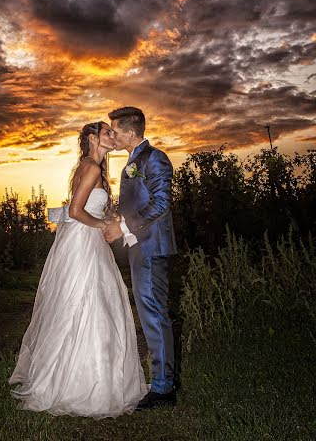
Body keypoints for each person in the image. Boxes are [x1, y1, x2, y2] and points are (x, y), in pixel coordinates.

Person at [8, 121, 148, 419]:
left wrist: (112, 216)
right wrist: (103, 226)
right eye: (107, 132)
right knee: (88, 302)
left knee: (88, 303)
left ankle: (85, 376)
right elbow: (74, 211)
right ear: (91, 138)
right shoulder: (92, 167)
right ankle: (81, 383)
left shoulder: (90, 167)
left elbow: (87, 207)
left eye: (114, 132)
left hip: (85, 239)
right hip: (84, 242)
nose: (113, 136)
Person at [104, 106, 177, 410]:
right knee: (150, 314)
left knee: (153, 315)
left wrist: (122, 227)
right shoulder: (131, 163)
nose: (112, 135)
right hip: (140, 247)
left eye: (115, 130)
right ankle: (164, 379)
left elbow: (162, 203)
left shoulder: (154, 158)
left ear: (130, 132)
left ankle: (163, 389)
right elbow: (136, 202)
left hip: (151, 248)